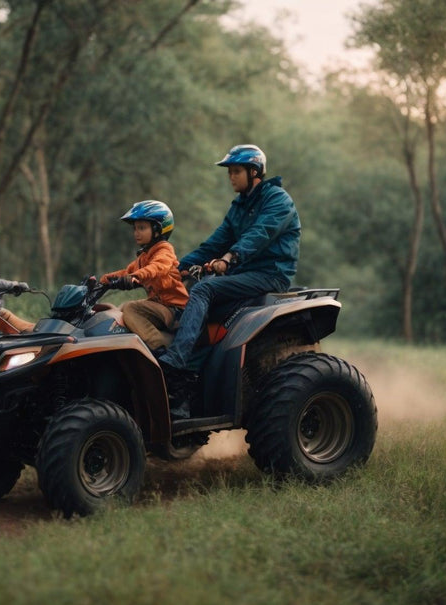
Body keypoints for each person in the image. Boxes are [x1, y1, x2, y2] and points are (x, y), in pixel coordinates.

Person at [158, 144, 301, 418]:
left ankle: (175, 362)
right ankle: (185, 390)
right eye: (229, 172)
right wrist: (176, 269)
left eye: (236, 171)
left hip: (270, 275)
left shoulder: (277, 200)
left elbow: (260, 233)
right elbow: (214, 243)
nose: (231, 177)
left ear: (254, 172)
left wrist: (230, 258)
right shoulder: (239, 206)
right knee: (193, 306)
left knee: (204, 289)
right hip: (243, 274)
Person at [98, 200, 188, 354]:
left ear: (158, 230)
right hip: (158, 306)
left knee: (131, 308)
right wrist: (103, 280)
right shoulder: (144, 256)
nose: (136, 233)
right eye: (135, 228)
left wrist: (137, 276)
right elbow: (126, 272)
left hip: (174, 310)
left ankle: (159, 347)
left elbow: (157, 268)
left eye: (142, 228)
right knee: (120, 309)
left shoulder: (165, 250)